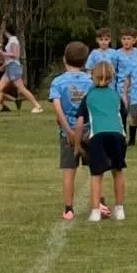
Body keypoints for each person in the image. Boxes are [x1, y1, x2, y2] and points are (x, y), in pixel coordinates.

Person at [48, 41, 93, 221]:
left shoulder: (58, 82)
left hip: (67, 133)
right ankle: (99, 204)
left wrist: (67, 130)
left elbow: (57, 107)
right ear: (85, 61)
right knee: (94, 171)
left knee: (69, 171)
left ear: (65, 59)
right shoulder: (91, 81)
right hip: (89, 131)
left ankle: (68, 209)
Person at [77, 60, 128, 223]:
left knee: (96, 175)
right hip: (118, 135)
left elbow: (80, 121)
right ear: (112, 78)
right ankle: (120, 209)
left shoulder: (89, 96)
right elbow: (122, 115)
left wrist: (77, 143)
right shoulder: (116, 96)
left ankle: (95, 211)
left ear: (92, 76)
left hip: (98, 135)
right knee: (118, 171)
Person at [0, 29, 44, 115]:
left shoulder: (13, 41)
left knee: (21, 88)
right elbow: (9, 58)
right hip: (9, 68)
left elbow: (15, 55)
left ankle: (37, 106)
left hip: (14, 67)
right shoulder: (11, 41)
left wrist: (2, 53)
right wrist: (3, 66)